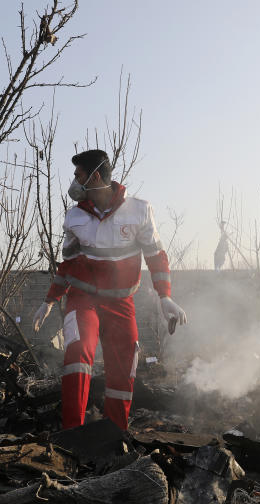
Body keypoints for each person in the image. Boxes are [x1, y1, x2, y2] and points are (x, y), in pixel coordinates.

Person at [32, 149, 187, 430]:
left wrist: (165, 296)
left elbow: (155, 255)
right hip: (83, 300)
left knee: (125, 362)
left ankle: (114, 434)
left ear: (96, 176)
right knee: (78, 353)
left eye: (79, 175)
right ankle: (73, 434)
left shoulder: (139, 211)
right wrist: (50, 300)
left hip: (121, 302)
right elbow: (67, 265)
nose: (75, 182)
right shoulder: (74, 218)